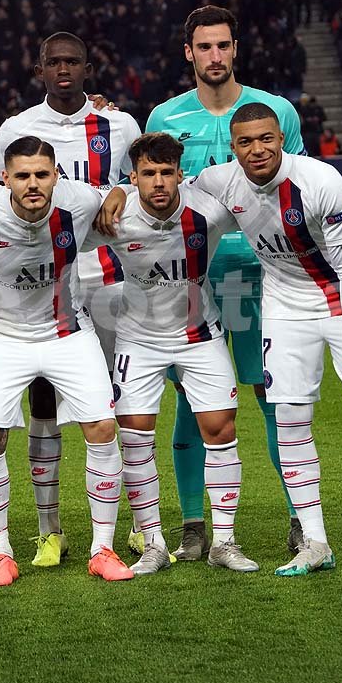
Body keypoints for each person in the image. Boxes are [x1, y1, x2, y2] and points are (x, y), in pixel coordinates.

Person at [105, 103, 342, 580]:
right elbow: (162, 186)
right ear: (233, 148)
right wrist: (118, 191)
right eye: (246, 142)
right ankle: (315, 543)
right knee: (289, 423)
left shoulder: (322, 181)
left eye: (266, 138)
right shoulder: (221, 181)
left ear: (281, 139)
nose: (257, 149)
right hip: (284, 309)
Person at [144, 4, 308, 559]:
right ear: (188, 53)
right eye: (204, 47)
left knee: (273, 395)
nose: (215, 56)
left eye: (223, 45)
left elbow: (298, 189)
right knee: (194, 400)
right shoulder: (164, 117)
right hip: (191, 281)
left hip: (264, 276)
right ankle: (194, 522)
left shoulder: (276, 111)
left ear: (236, 48)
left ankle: (300, 517)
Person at [0, 32, 141, 568]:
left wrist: (122, 189)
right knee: (42, 401)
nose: (64, 70)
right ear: (40, 69)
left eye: (73, 62)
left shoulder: (120, 124)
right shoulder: (18, 128)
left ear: (88, 68)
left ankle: (137, 523)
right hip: (42, 285)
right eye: (54, 62)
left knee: (119, 403)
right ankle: (50, 530)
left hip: (111, 277)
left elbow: (139, 180)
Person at [0, 136, 132, 586]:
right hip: (1, 339)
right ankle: (0, 554)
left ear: (56, 176)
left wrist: (120, 190)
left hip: (68, 333)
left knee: (103, 428)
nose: (32, 184)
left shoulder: (80, 200)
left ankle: (103, 549)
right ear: (4, 177)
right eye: (22, 175)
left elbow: (124, 193)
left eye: (42, 174)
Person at [97, 133, 259, 575]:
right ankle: (152, 544)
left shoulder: (208, 211)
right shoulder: (114, 216)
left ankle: (223, 541)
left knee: (221, 430)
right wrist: (114, 193)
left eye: (167, 172)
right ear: (133, 177)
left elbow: (258, 204)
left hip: (200, 335)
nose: (159, 182)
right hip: (137, 340)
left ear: (180, 174)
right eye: (148, 173)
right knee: (135, 438)